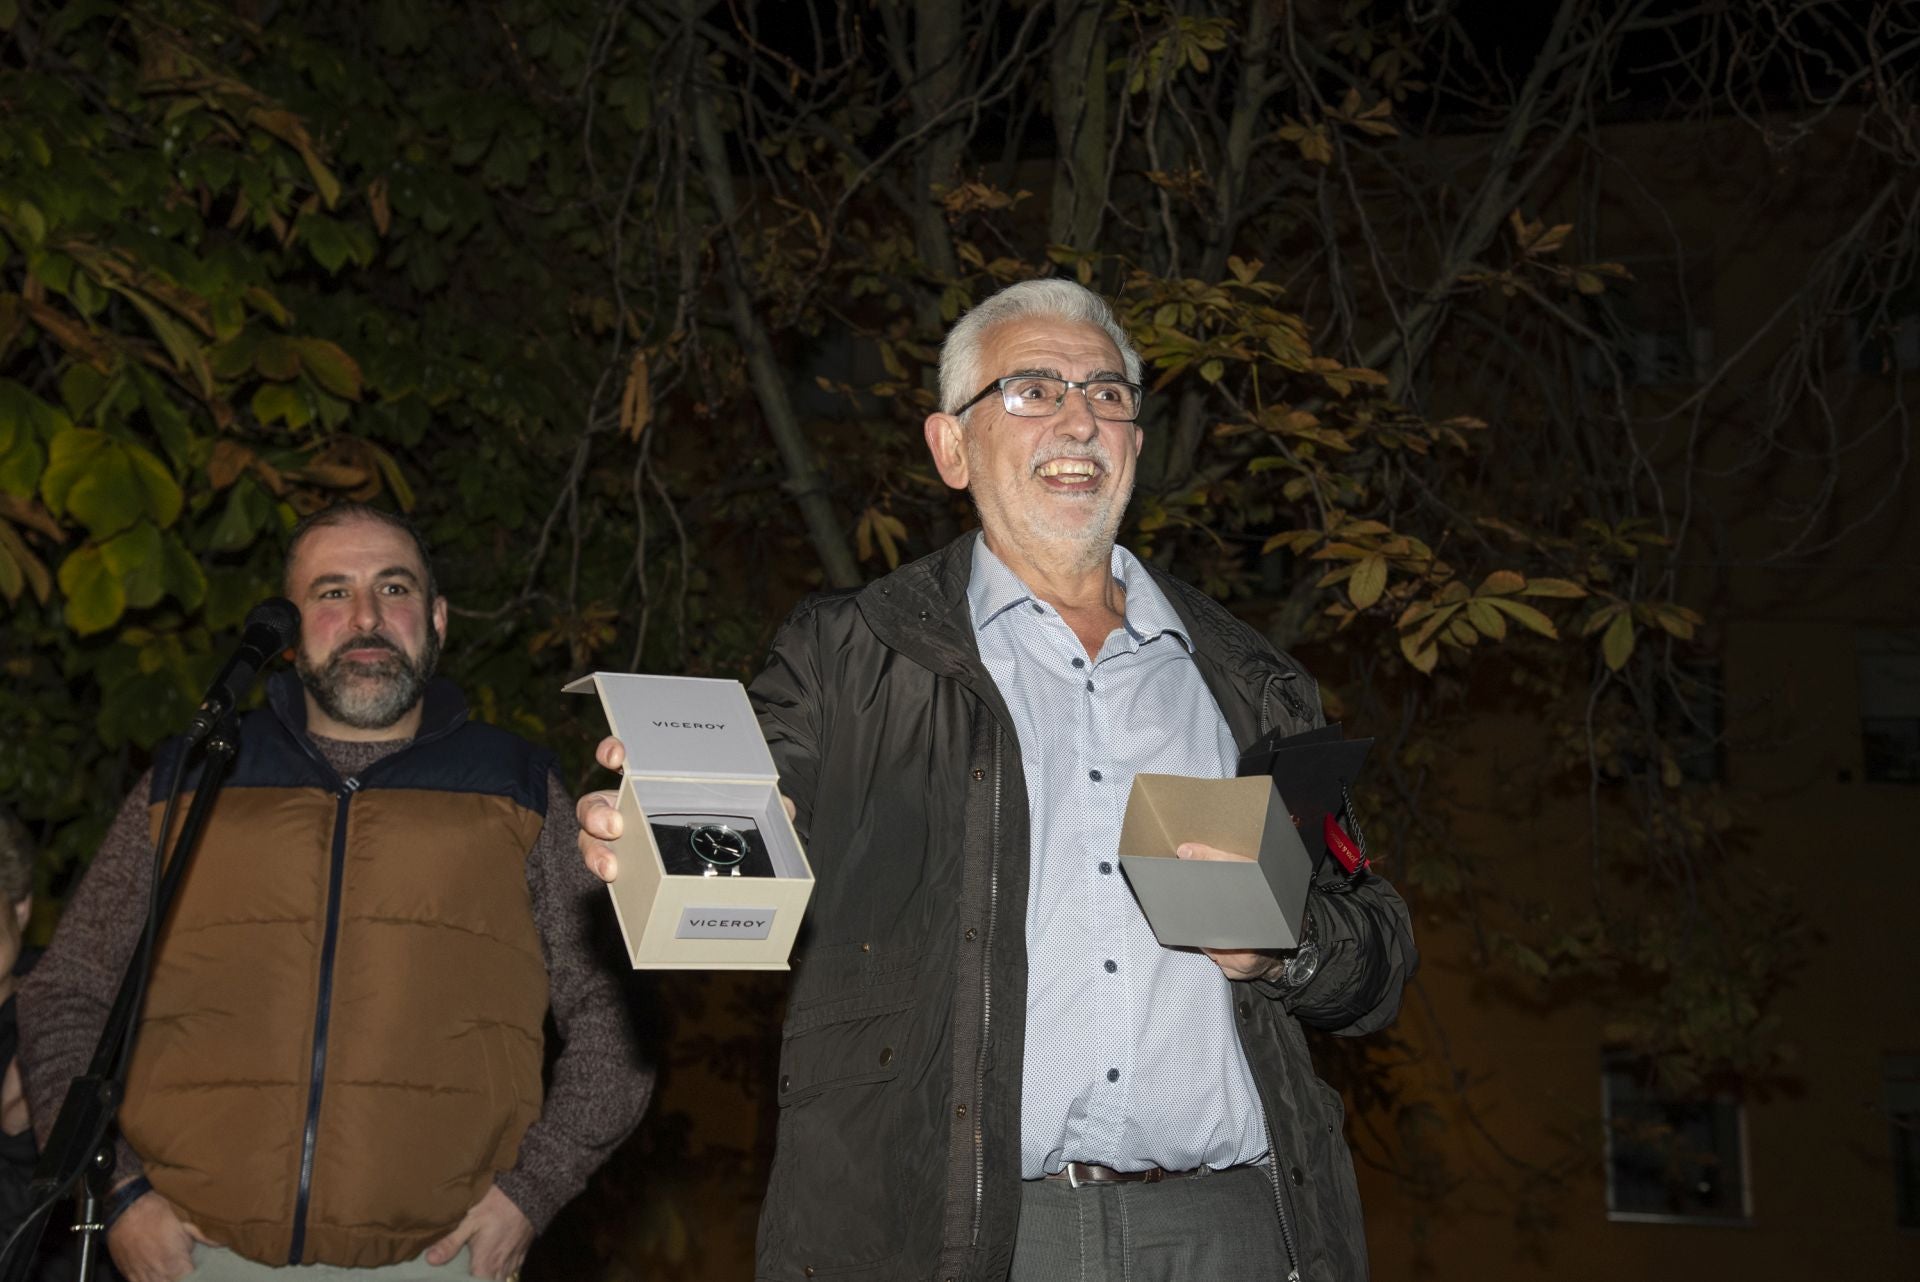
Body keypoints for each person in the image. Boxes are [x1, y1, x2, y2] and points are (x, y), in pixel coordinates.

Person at [576, 278, 1418, 1280]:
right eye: (1032, 389)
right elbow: (756, 806)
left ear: (1137, 447)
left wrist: (1284, 944)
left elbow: (1379, 955)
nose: (1080, 417)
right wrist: (664, 828)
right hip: (966, 1240)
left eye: (1108, 393)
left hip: (1229, 1229)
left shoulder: (1249, 679)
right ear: (950, 447)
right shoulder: (854, 653)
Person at [20, 504, 652, 1282]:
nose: (365, 618)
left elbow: (618, 1015)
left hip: (435, 1262)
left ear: (438, 619)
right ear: (285, 636)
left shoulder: (521, 787)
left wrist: (533, 1191)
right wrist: (115, 1193)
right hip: (187, 1256)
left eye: (393, 589)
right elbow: (66, 992)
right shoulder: (194, 774)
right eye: (330, 593)